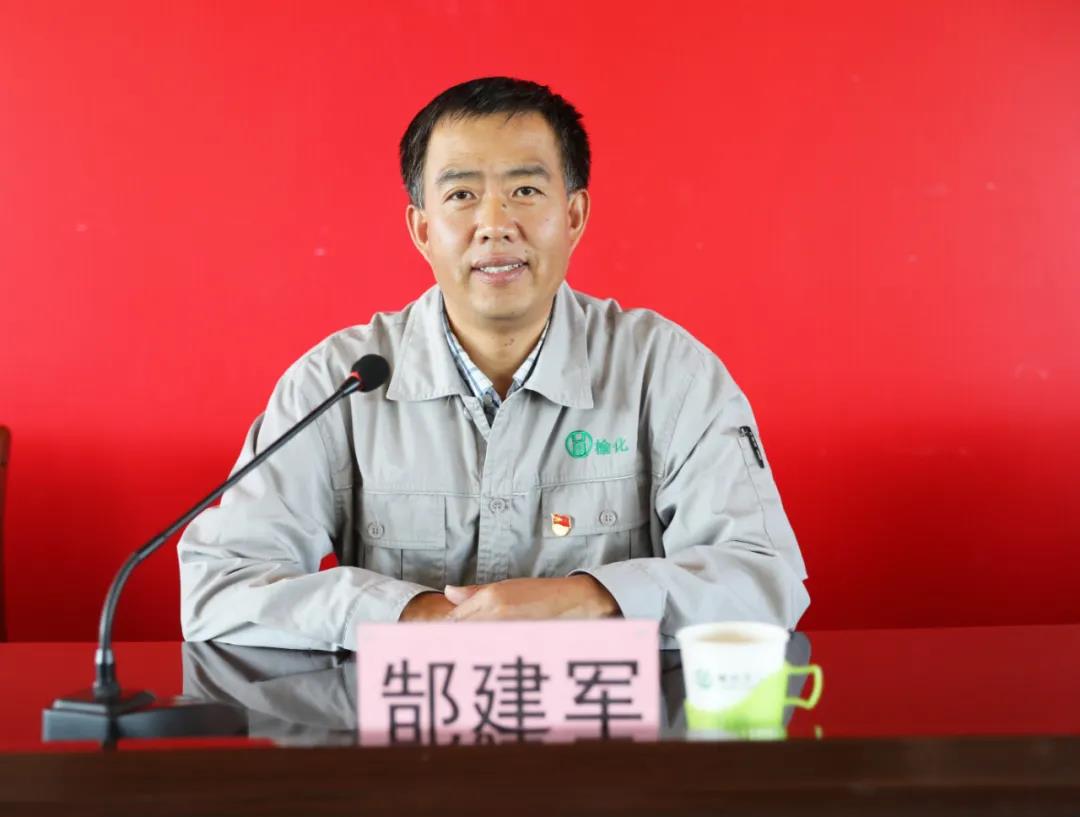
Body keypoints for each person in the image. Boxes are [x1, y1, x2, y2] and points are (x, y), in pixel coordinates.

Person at [178, 76, 809, 651]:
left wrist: (588, 600)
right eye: (461, 195)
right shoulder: (341, 381)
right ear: (422, 229)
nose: (494, 224)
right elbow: (218, 587)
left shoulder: (665, 372)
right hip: (406, 735)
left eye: (525, 191)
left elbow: (765, 580)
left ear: (573, 216)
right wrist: (411, 615)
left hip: (611, 734)